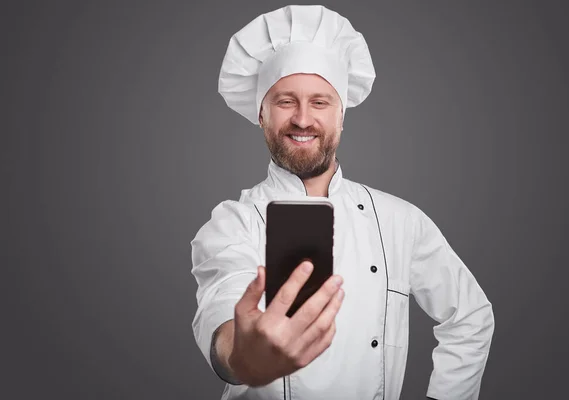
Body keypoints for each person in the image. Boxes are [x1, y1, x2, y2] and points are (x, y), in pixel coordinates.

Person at [191, 5, 494, 400]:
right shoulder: (233, 223)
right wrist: (241, 356)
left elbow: (469, 316)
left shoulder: (400, 221)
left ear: (342, 114)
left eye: (320, 102)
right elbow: (223, 309)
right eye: (285, 101)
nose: (303, 119)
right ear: (261, 115)